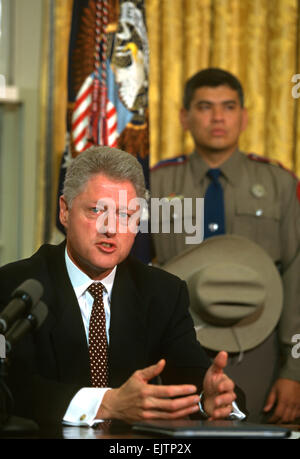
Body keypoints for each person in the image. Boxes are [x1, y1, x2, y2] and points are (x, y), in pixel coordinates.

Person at [0, 146, 245, 427]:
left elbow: (191, 374)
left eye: (125, 215)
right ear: (65, 212)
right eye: (96, 211)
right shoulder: (14, 287)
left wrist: (209, 400)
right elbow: (11, 386)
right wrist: (105, 404)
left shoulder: (162, 292)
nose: (110, 229)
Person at [150, 68, 300, 424]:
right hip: (176, 349)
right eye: (205, 107)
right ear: (184, 117)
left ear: (244, 117)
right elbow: (137, 271)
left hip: (259, 349)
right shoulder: (155, 182)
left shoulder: (279, 183)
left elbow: (297, 275)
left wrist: (294, 369)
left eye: (228, 107)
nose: (218, 117)